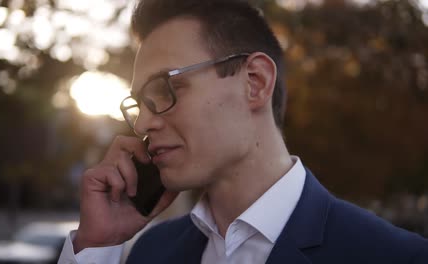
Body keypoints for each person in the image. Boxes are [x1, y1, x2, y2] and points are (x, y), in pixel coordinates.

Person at [58, 0, 428, 263]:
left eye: (165, 89)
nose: (141, 124)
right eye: (139, 103)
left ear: (254, 82)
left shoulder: (395, 255)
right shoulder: (153, 251)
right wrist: (97, 245)